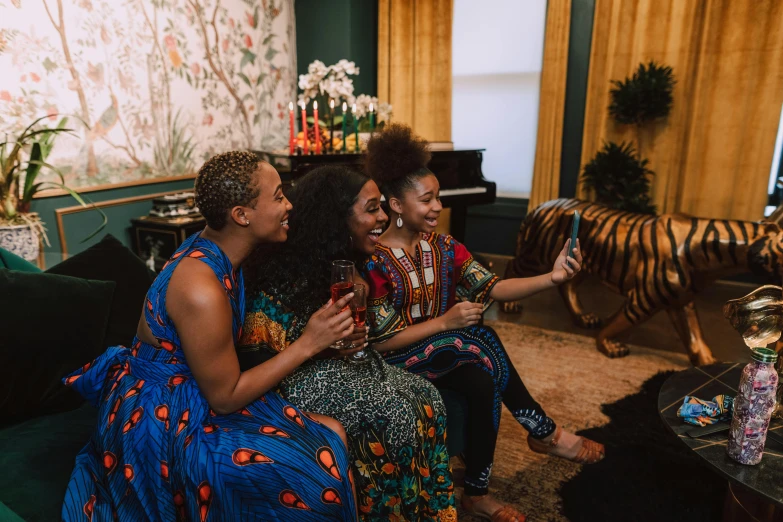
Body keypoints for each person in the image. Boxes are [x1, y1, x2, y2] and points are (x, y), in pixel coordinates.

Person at [61, 152, 358, 521]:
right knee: (318, 466)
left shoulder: (220, 256)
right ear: (241, 215)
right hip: (161, 417)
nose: (289, 205)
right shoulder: (201, 288)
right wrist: (309, 343)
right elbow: (225, 398)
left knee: (332, 432)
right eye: (279, 196)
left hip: (194, 391)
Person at [362, 124, 605, 522]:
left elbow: (493, 287)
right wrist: (445, 323)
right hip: (394, 365)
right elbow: (381, 343)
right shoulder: (371, 260)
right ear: (396, 205)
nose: (438, 206)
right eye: (427, 200)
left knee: (483, 376)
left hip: (447, 352)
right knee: (477, 336)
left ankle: (476, 493)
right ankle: (544, 432)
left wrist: (553, 277)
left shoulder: (445, 246)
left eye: (438, 196)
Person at [241, 165, 457, 522]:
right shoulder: (283, 273)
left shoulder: (347, 264)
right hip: (289, 384)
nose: (384, 217)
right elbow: (257, 357)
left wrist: (340, 344)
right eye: (372, 208)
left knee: (426, 396)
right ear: (336, 218)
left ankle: (426, 512)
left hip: (342, 365)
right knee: (394, 415)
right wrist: (321, 344)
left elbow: (346, 336)